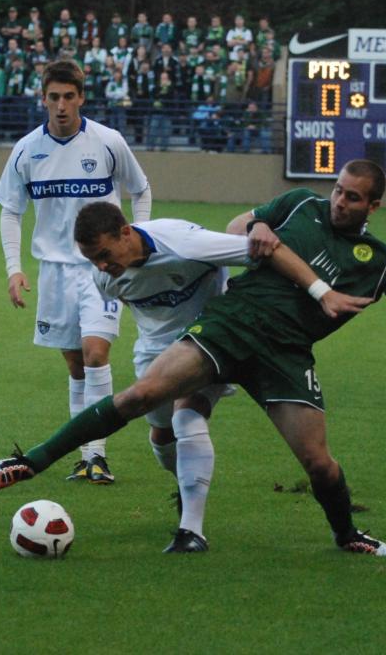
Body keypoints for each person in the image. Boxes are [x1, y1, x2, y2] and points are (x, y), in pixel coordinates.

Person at [0, 159, 386, 557]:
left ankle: (346, 534)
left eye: (352, 197)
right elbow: (241, 225)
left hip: (287, 352)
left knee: (317, 460)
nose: (339, 201)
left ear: (373, 206)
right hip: (232, 323)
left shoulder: (380, 262)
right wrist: (255, 229)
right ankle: (32, 461)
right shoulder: (299, 206)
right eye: (337, 190)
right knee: (145, 396)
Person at [71, 202, 319, 551]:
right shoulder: (104, 277)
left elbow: (264, 251)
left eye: (104, 254)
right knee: (161, 434)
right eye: (91, 258)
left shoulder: (185, 243)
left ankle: (191, 530)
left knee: (187, 416)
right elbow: (132, 301)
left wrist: (319, 289)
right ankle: (188, 488)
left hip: (211, 340)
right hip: (154, 355)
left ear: (125, 232)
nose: (100, 265)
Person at [0, 60, 152, 484]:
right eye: (54, 97)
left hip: (101, 268)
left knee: (96, 352)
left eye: (69, 97)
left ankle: (97, 456)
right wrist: (14, 268)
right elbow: (11, 210)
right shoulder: (27, 149)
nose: (61, 105)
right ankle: (85, 456)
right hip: (54, 272)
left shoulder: (108, 141)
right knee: (75, 365)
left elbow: (140, 189)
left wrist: (137, 241)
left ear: (82, 97)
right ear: (43, 98)